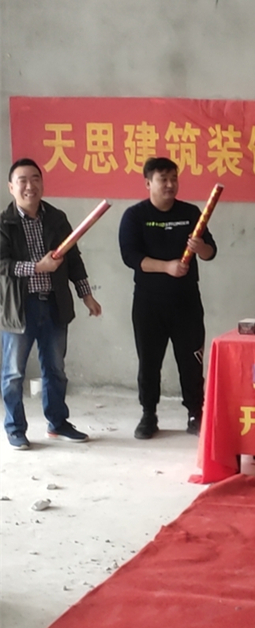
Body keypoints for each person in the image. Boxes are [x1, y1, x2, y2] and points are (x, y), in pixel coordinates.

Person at [0, 158, 102, 450]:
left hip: (54, 305)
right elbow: (2, 264)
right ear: (11, 187)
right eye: (22, 180)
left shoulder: (56, 218)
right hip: (19, 309)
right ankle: (15, 429)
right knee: (13, 374)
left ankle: (58, 423)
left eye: (35, 179)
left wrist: (86, 295)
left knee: (56, 370)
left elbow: (73, 259)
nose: (29, 186)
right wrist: (37, 267)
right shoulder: (4, 223)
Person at [119, 157, 217, 439]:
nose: (170, 184)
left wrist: (200, 247)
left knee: (191, 361)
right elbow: (131, 257)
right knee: (149, 361)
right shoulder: (135, 216)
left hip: (187, 303)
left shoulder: (191, 213)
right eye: (163, 179)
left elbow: (211, 252)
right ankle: (148, 414)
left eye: (174, 178)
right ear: (148, 183)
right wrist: (167, 267)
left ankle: (196, 413)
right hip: (149, 303)